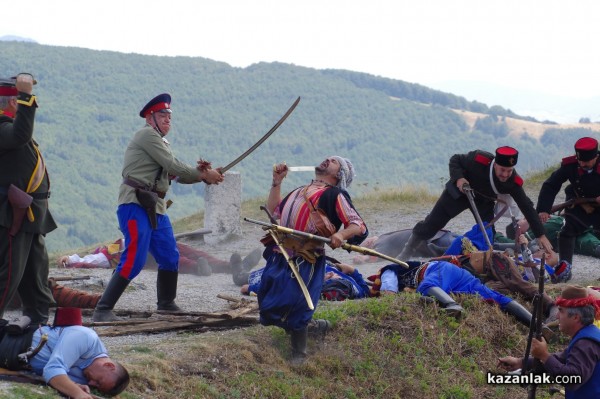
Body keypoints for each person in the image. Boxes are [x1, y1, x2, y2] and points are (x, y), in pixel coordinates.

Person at [92, 93, 224, 322]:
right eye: (162, 115)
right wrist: (204, 174)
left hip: (155, 207)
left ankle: (166, 303)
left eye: (169, 116)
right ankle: (103, 309)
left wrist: (204, 176)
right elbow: (173, 165)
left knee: (169, 255)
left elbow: (175, 174)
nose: (167, 119)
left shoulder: (160, 142)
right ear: (149, 117)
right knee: (134, 258)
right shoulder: (147, 136)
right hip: (135, 204)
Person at [259, 156, 368, 364]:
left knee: (298, 304)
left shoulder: (335, 195)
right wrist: (277, 182)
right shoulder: (299, 190)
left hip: (306, 258)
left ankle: (299, 353)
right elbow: (274, 213)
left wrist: (340, 236)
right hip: (280, 253)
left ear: (339, 174)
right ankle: (312, 327)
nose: (328, 159)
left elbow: (358, 225)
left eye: (334, 161)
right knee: (268, 306)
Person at [398, 146, 552, 260]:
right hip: (459, 193)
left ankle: (450, 254)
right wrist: (459, 178)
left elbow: (526, 206)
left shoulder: (513, 182)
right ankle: (407, 251)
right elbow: (455, 159)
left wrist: (540, 234)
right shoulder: (478, 159)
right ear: (495, 164)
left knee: (486, 236)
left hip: (483, 202)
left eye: (509, 171)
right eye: (502, 170)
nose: (505, 174)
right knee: (431, 225)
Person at [0, 73, 56, 325]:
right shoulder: (2, 128)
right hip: (14, 213)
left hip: (30, 212)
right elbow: (21, 134)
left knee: (35, 273)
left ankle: (37, 323)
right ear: (12, 102)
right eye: (19, 100)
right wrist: (26, 97)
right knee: (9, 274)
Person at [369, 259, 550, 335]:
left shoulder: (389, 270)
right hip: (459, 278)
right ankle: (538, 326)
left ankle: (450, 305)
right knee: (494, 297)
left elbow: (389, 294)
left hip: (438, 271)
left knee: (426, 286)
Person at [498, 285, 600, 398]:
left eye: (561, 311)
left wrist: (544, 356)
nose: (556, 315)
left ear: (576, 317)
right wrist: (521, 362)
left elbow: (573, 380)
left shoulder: (586, 343)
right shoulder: (588, 335)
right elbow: (561, 359)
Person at [14, 315, 129, 398]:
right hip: (12, 342)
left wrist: (75, 386)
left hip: (15, 362)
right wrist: (78, 394)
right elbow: (52, 369)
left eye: (96, 386)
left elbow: (59, 378)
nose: (91, 384)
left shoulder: (89, 374)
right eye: (99, 381)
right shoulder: (86, 337)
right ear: (109, 365)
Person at [536, 137, 600, 265]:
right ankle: (565, 267)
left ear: (596, 156)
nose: (582, 164)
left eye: (586, 161)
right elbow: (551, 185)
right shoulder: (570, 165)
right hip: (579, 205)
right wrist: (543, 209)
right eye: (580, 161)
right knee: (567, 232)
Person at [239, 258, 371, 301]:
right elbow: (366, 291)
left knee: (248, 278)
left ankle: (240, 271)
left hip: (296, 269)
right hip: (313, 262)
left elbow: (286, 287)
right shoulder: (358, 291)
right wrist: (351, 270)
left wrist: (252, 288)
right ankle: (242, 268)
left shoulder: (308, 285)